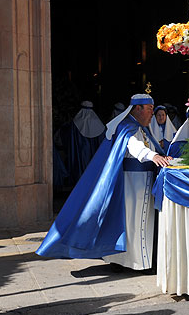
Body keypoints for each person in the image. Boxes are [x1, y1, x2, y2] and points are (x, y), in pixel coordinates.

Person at [37, 94, 172, 271]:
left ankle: (139, 261)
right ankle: (131, 262)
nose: (152, 114)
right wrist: (152, 155)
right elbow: (133, 146)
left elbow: (151, 145)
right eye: (149, 109)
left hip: (143, 182)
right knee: (132, 221)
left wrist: (160, 155)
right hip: (132, 184)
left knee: (139, 221)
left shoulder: (142, 127)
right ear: (137, 109)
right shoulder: (127, 126)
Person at [56, 101, 105, 185]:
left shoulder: (75, 124)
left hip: (80, 157)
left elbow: (67, 137)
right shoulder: (99, 125)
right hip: (94, 156)